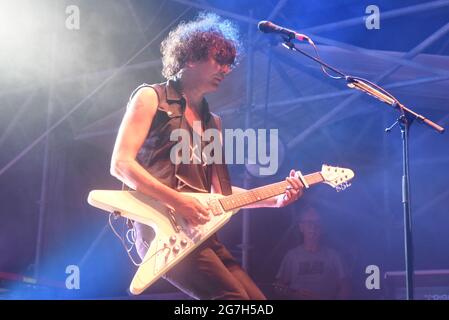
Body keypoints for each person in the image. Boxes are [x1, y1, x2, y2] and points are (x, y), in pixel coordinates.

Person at [109, 12, 304, 300]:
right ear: (191, 57)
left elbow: (219, 195)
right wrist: (178, 201)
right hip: (162, 227)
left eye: (229, 63)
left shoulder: (213, 122)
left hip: (200, 233)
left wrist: (275, 200)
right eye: (219, 60)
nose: (226, 69)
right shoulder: (151, 97)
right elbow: (121, 164)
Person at [274, 206, 351, 300]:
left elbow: (345, 286)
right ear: (301, 227)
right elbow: (278, 287)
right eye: (308, 223)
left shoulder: (334, 256)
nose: (313, 227)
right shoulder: (291, 257)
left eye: (316, 223)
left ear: (322, 227)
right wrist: (293, 293)